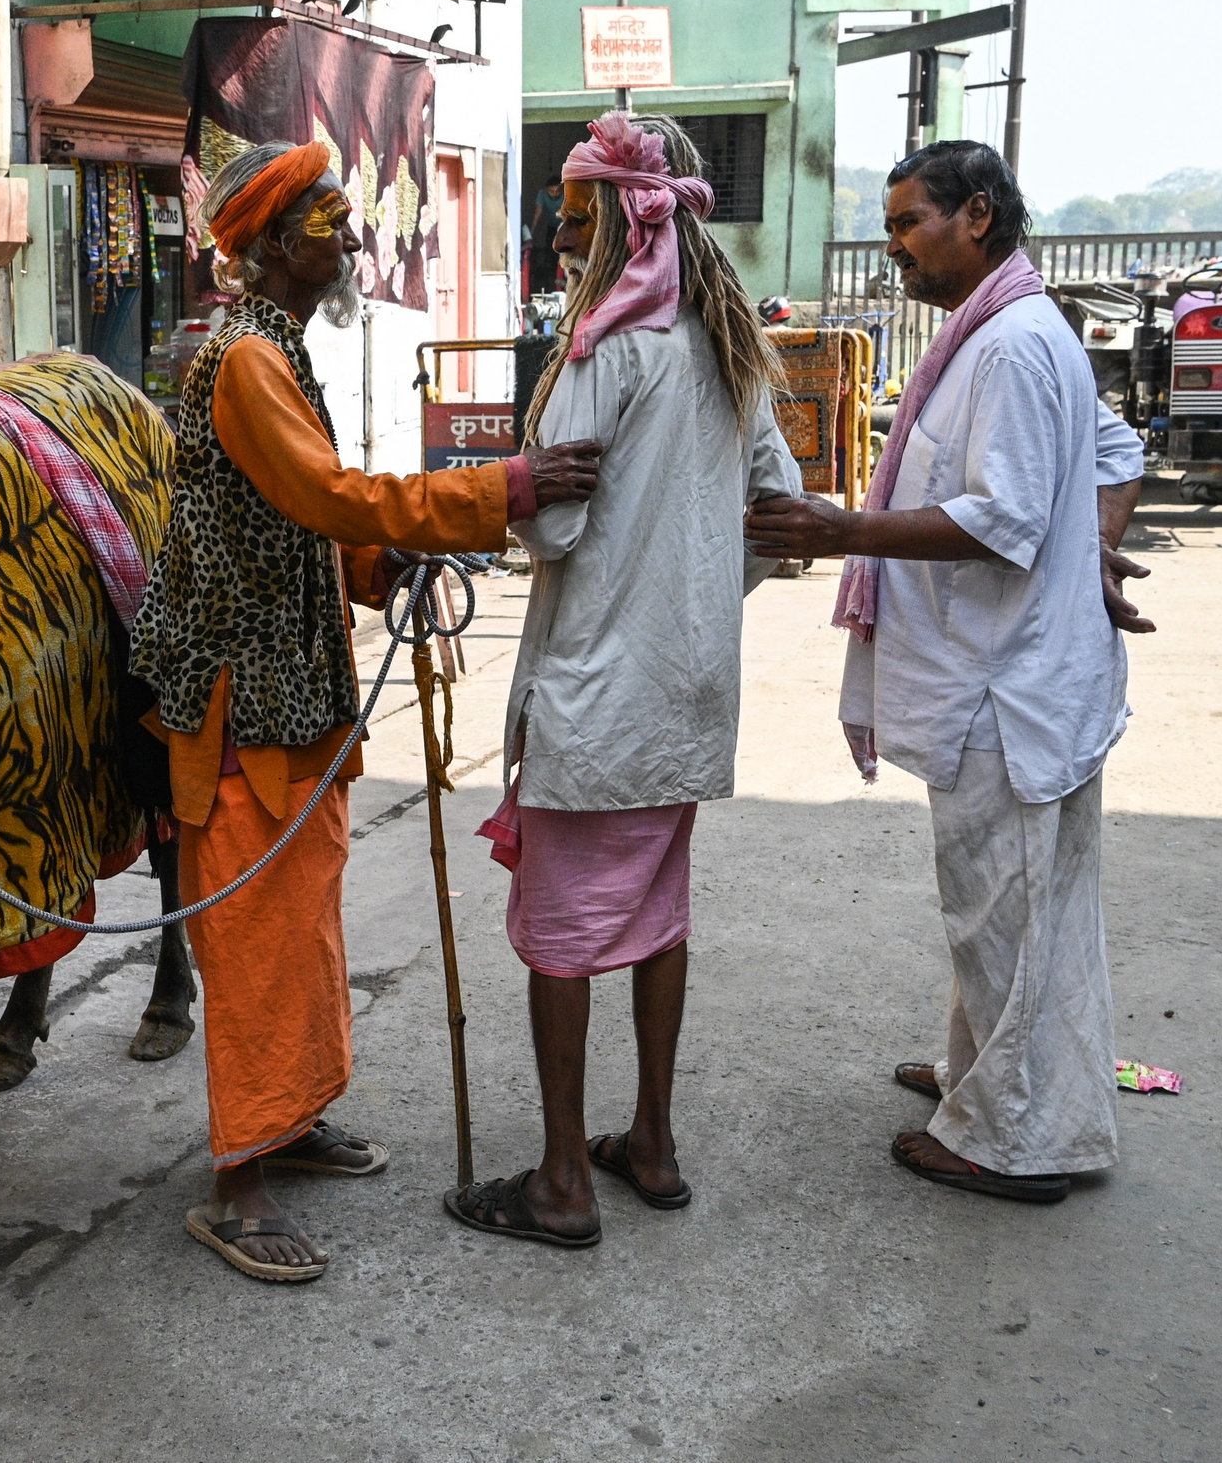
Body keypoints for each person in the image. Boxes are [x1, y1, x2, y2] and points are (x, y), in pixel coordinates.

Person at [130, 139, 603, 1282]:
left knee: (302, 924)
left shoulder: (282, 347)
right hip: (240, 703)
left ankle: (285, 1120)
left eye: (346, 217)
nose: (348, 237)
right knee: (252, 938)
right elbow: (324, 491)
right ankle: (237, 1182)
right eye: (329, 221)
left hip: (296, 690)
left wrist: (376, 566)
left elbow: (307, 516)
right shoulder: (245, 358)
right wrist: (501, 489)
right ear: (269, 242)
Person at [747, 140, 1151, 1205]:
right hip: (1019, 675)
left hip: (1005, 691)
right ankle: (988, 1081)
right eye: (886, 230)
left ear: (977, 215)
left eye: (905, 225)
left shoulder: (1013, 345)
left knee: (1005, 912)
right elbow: (1109, 461)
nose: (894, 252)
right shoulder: (1006, 331)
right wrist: (1092, 552)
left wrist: (846, 530)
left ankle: (1009, 1138)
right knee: (1010, 911)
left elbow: (1004, 518)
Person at [441, 112, 801, 1249]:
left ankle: (560, 1178)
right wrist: (694, 587)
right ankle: (650, 1138)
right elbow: (776, 516)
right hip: (687, 690)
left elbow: (549, 527)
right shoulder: (724, 349)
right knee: (654, 916)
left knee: (560, 932)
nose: (561, 223)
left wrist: (509, 487)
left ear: (619, 217)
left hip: (599, 698)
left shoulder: (604, 349)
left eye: (576, 203)